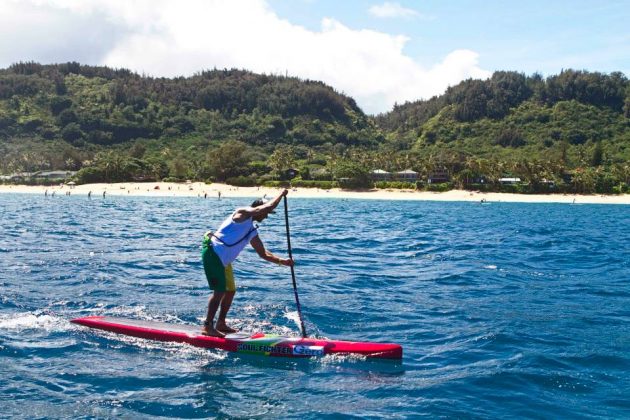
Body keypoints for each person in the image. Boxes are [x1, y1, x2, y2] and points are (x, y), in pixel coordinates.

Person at [201, 189, 294, 337]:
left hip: (224, 260)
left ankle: (221, 323)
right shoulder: (242, 213)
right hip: (213, 253)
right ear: (257, 210)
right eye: (265, 213)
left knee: (230, 290)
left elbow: (263, 254)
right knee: (219, 291)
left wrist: (283, 261)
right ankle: (207, 326)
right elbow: (267, 207)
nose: (266, 216)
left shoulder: (252, 230)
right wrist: (281, 194)